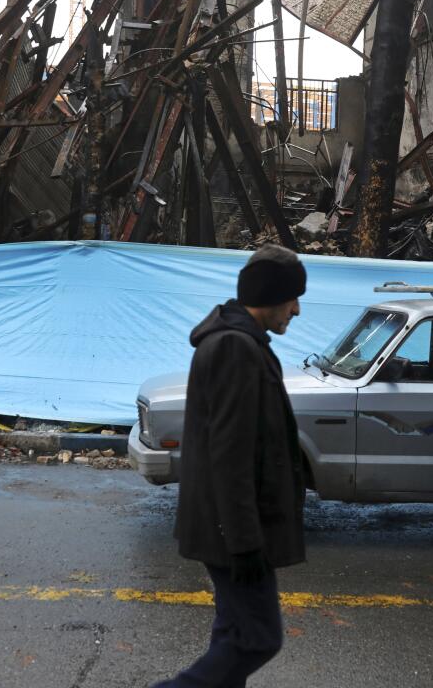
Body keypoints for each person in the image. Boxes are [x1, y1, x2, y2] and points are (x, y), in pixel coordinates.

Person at [152, 244, 307, 688]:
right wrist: (243, 544)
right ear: (272, 295)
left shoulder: (242, 343)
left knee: (234, 632)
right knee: (257, 639)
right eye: (292, 298)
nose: (296, 310)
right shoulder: (235, 348)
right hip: (231, 533)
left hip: (230, 529)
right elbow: (230, 455)